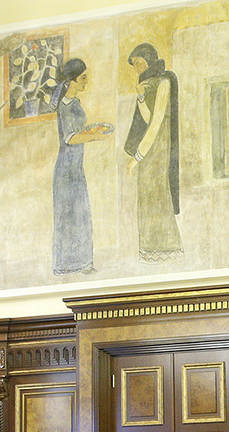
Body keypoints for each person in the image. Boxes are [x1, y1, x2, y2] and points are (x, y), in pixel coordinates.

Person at [48, 57, 111, 275]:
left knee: (81, 214)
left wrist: (92, 131)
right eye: (83, 78)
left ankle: (83, 263)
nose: (86, 81)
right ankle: (65, 266)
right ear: (72, 80)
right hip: (65, 170)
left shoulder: (75, 102)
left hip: (76, 168)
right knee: (68, 218)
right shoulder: (65, 105)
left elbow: (79, 130)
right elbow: (70, 138)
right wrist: (94, 136)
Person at [124, 42, 181, 262]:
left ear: (149, 60)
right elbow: (148, 119)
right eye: (133, 65)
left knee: (158, 195)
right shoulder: (146, 84)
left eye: (138, 62)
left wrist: (136, 157)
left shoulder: (164, 82)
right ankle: (149, 249)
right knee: (147, 197)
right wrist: (140, 98)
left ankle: (168, 247)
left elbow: (156, 123)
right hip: (149, 149)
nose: (136, 68)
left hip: (158, 149)